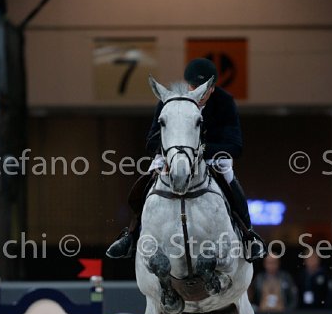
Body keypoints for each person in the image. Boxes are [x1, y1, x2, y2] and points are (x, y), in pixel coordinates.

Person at [106, 58, 267, 263]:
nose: (197, 94)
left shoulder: (225, 102)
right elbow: (151, 141)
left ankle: (248, 235)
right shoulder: (170, 100)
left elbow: (235, 146)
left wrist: (201, 150)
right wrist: (173, 150)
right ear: (187, 84)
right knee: (147, 178)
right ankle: (131, 234)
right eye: (193, 87)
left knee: (228, 176)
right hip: (174, 155)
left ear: (212, 88)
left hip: (211, 157)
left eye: (203, 90)